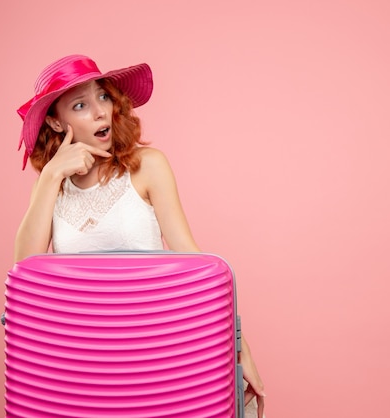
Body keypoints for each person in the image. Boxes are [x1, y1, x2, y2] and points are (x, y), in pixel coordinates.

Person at [14, 54, 265, 417]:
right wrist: (52, 176)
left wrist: (241, 355)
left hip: (153, 356)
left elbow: (197, 265)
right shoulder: (52, 186)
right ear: (55, 122)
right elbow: (25, 271)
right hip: (80, 366)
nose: (101, 112)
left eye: (103, 96)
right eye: (80, 105)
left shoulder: (148, 165)